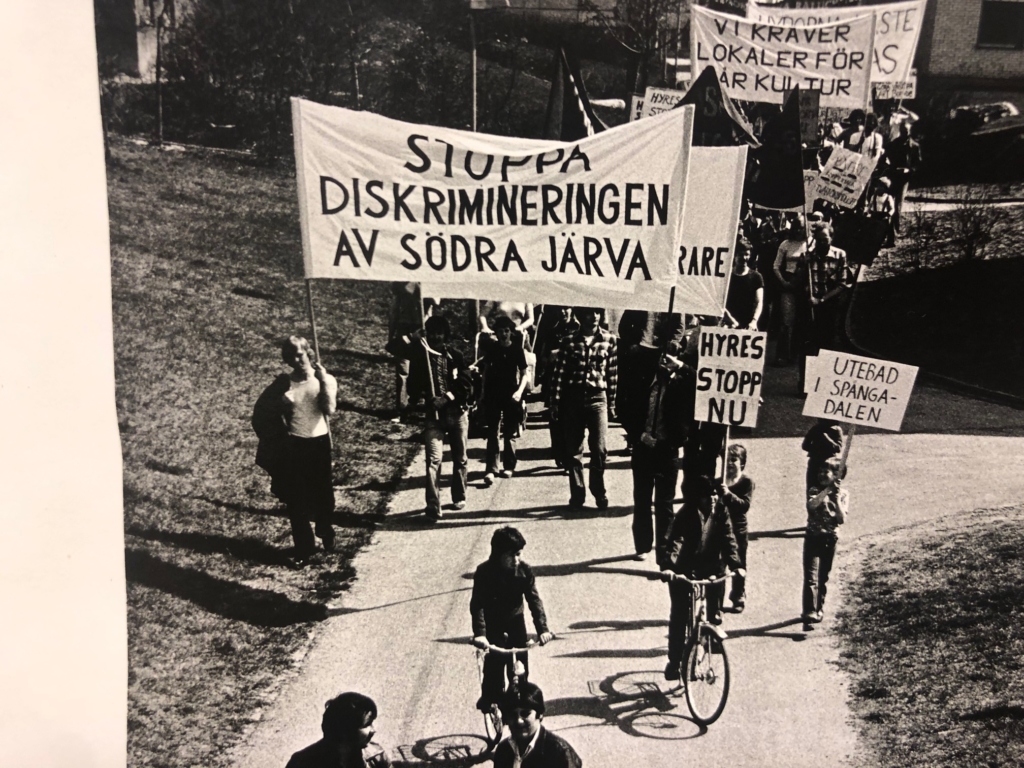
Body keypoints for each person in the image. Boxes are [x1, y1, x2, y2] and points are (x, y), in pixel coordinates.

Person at [252, 336, 338, 564]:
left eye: (300, 354)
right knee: (297, 501)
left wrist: (322, 383)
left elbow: (329, 409)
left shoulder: (325, 378)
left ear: (309, 352)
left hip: (320, 444)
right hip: (295, 446)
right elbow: (262, 413)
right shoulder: (284, 384)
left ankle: (325, 529)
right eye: (291, 356)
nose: (296, 360)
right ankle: (304, 549)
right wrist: (281, 404)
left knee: (325, 499)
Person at [617, 323, 694, 564]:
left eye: (671, 357)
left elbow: (701, 383)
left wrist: (680, 368)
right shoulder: (642, 383)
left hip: (667, 451)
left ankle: (665, 553)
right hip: (643, 447)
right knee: (642, 499)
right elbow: (624, 409)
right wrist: (638, 434)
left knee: (665, 504)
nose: (665, 361)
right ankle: (642, 544)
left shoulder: (682, 384)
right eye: (662, 356)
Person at [385, 316, 473, 520]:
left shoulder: (455, 356)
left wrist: (447, 398)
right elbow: (392, 348)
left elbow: (466, 385)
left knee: (460, 458)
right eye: (431, 332)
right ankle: (433, 505)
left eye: (439, 333)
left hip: (457, 414)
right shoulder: (420, 354)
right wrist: (411, 337)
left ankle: (459, 495)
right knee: (433, 460)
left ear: (446, 335)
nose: (435, 336)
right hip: (433, 417)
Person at [661, 475, 742, 679]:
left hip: (710, 566)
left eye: (714, 494)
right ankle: (674, 660)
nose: (712, 499)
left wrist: (737, 566)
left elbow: (728, 540)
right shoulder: (686, 514)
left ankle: (709, 637)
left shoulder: (721, 512)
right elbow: (676, 542)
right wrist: (669, 568)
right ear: (697, 498)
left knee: (714, 611)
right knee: (680, 614)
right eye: (707, 496)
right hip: (684, 569)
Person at [471, 527, 554, 712]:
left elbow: (534, 601)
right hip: (493, 625)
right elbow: (477, 605)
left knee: (520, 669)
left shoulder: (524, 571)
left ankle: (519, 704)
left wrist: (543, 630)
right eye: (511, 555)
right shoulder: (484, 572)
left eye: (518, 554)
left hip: (516, 623)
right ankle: (488, 699)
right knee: (494, 668)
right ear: (498, 554)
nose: (516, 560)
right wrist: (480, 634)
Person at [549, 307, 618, 510]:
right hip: (573, 399)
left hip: (598, 398)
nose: (594, 317)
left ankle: (598, 490)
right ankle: (577, 494)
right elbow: (559, 374)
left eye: (597, 312)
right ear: (580, 316)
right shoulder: (569, 341)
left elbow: (613, 373)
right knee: (574, 451)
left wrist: (612, 403)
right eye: (589, 312)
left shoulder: (609, 340)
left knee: (599, 449)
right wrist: (555, 402)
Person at [479, 316, 530, 484]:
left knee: (509, 433)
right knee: (493, 432)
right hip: (494, 394)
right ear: (496, 333)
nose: (504, 334)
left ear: (511, 333)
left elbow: (524, 374)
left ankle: (509, 466)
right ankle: (491, 469)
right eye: (500, 331)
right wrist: (482, 393)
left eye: (506, 331)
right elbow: (485, 372)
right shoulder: (492, 349)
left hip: (511, 395)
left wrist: (519, 392)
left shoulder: (516, 350)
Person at [285, 691, 391, 768]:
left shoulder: (376, 755)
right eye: (367, 725)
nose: (374, 730)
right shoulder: (302, 763)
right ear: (346, 730)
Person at [802, 457, 848, 630]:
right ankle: (809, 613)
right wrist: (827, 491)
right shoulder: (814, 490)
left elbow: (841, 519)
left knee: (823, 577)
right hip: (812, 537)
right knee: (810, 577)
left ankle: (818, 609)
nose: (821, 474)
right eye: (820, 471)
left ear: (837, 475)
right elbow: (811, 505)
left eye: (826, 472)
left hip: (829, 540)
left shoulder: (843, 494)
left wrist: (836, 498)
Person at [493, 682, 583, 768]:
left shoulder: (559, 753)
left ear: (540, 715)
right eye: (513, 715)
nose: (519, 721)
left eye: (525, 714)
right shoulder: (503, 750)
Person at [536, 306, 579, 470]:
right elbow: (544, 356)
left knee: (572, 419)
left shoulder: (579, 330)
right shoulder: (552, 331)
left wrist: (560, 352)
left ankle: (570, 456)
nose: (562, 312)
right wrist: (549, 357)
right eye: (559, 308)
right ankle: (559, 453)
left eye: (566, 308)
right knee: (555, 419)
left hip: (573, 379)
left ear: (572, 309)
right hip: (554, 379)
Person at [718, 444, 755, 613]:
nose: (730, 463)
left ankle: (738, 595)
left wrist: (728, 494)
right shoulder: (719, 480)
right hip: (719, 528)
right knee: (718, 565)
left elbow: (744, 505)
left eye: (734, 460)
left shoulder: (746, 482)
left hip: (737, 529)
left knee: (738, 563)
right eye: (727, 459)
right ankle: (716, 599)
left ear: (742, 463)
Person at [805, 222, 851, 356]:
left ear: (831, 238)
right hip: (811, 304)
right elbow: (801, 279)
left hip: (830, 303)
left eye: (825, 239)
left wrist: (822, 300)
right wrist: (803, 264)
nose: (822, 243)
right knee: (811, 341)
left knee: (828, 340)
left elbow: (842, 284)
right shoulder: (809, 255)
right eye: (819, 240)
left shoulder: (840, 255)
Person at [772, 215, 807, 366]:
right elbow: (776, 266)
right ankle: (782, 354)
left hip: (804, 285)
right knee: (787, 321)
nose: (798, 230)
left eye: (801, 227)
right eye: (796, 226)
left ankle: (796, 355)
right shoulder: (785, 244)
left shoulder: (809, 244)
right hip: (788, 284)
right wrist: (783, 282)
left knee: (801, 321)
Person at [884, 119, 922, 232]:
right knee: (889, 202)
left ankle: (896, 228)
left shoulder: (914, 146)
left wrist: (909, 170)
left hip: (904, 178)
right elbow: (886, 158)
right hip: (893, 176)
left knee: (898, 203)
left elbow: (918, 164)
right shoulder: (894, 144)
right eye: (902, 130)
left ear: (910, 131)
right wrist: (891, 168)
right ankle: (889, 228)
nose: (904, 133)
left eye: (906, 131)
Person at [724, 237, 764, 330]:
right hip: (728, 323)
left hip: (748, 325)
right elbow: (720, 303)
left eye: (747, 254)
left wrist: (754, 321)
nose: (744, 258)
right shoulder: (726, 276)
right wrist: (731, 321)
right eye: (740, 254)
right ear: (734, 255)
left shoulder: (756, 277)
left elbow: (759, 302)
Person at [802, 418, 845, 491]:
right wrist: (817, 449)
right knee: (812, 489)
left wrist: (826, 438)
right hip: (815, 462)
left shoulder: (836, 430)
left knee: (828, 489)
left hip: (829, 464)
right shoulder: (815, 429)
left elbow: (838, 448)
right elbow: (805, 445)